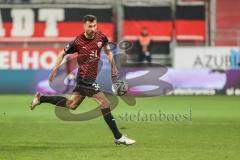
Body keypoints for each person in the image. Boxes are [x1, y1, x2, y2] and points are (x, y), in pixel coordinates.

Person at [30, 15, 135, 145]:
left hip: (87, 79)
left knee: (71, 105)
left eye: (94, 25)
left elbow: (108, 52)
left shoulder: (101, 37)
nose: (93, 28)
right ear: (84, 26)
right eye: (90, 26)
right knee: (105, 104)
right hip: (85, 78)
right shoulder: (77, 42)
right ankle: (118, 137)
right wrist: (55, 69)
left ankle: (41, 98)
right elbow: (62, 53)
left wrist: (113, 66)